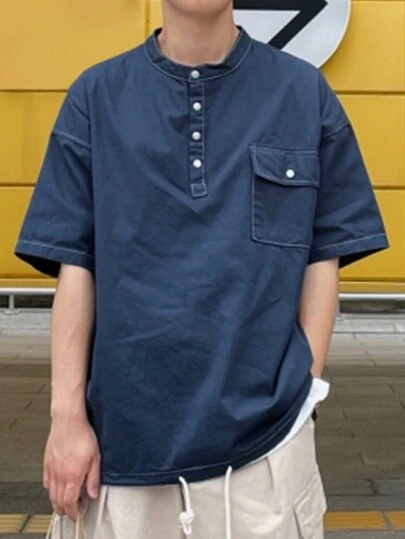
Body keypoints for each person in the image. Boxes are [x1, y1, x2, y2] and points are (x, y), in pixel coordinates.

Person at [15, 1, 389, 538]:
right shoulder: (96, 97)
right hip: (121, 454)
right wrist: (67, 418)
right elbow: (76, 267)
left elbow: (322, 255)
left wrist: (303, 389)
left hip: (266, 458)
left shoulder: (303, 94)